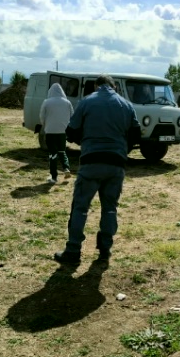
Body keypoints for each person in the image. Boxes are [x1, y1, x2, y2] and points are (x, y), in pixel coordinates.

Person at [54, 75, 142, 265]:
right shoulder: (126, 105)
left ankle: (73, 251)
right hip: (116, 163)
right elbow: (136, 134)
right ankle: (105, 250)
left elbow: (71, 132)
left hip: (91, 162)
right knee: (110, 208)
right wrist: (122, 149)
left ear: (96, 86)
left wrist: (86, 142)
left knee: (80, 207)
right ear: (114, 87)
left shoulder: (87, 102)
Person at [39, 83, 73, 184]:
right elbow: (72, 115)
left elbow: (42, 116)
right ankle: (66, 168)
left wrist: (45, 125)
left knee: (53, 154)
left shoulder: (46, 102)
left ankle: (54, 177)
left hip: (50, 131)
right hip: (63, 131)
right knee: (62, 151)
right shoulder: (67, 102)